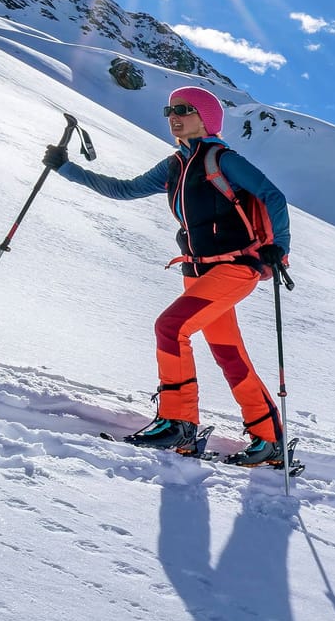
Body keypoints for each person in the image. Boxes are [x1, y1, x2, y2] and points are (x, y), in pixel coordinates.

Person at [43, 86, 291, 466]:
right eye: (170, 109)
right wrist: (66, 168)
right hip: (197, 270)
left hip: (234, 268)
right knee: (228, 354)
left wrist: (280, 247)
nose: (174, 115)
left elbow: (273, 196)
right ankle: (268, 439)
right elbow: (123, 189)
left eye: (184, 109)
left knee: (171, 327)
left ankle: (178, 422)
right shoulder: (175, 165)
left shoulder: (222, 160)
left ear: (206, 117)